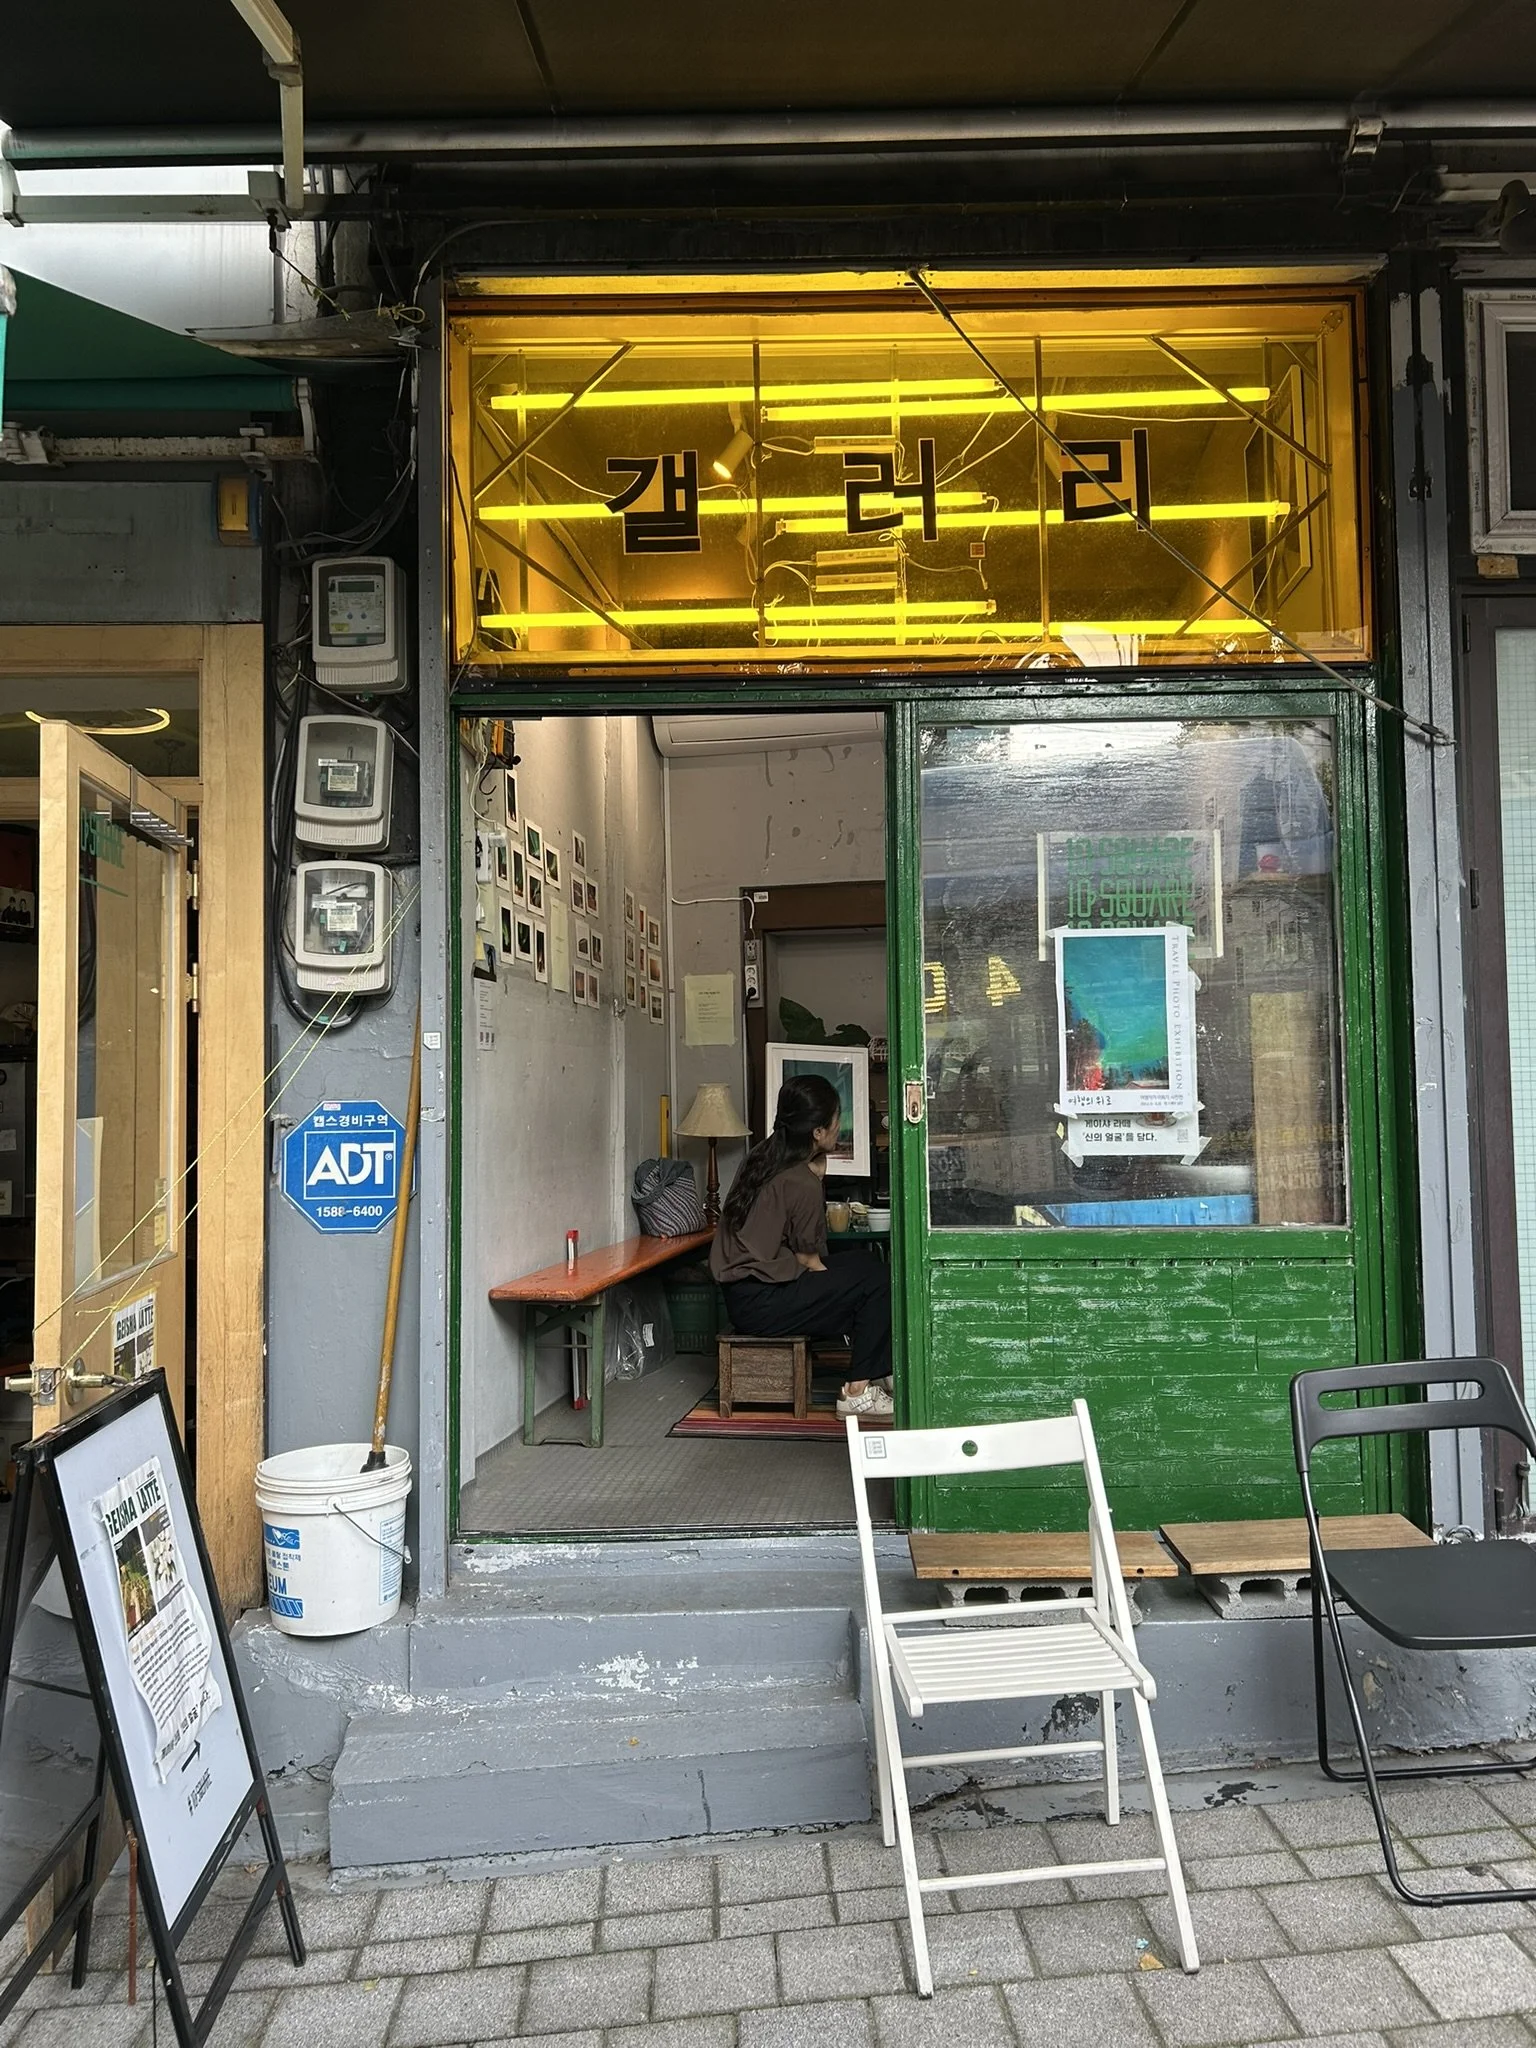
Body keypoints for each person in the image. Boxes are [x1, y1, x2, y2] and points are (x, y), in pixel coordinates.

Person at [709, 1072, 892, 1415]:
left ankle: (878, 1369)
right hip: (763, 1302)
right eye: (837, 1120)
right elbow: (811, 1260)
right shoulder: (802, 1180)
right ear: (818, 1132)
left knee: (867, 1267)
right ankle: (856, 1392)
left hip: (744, 1294)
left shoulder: (763, 1156)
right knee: (875, 1281)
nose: (840, 1127)